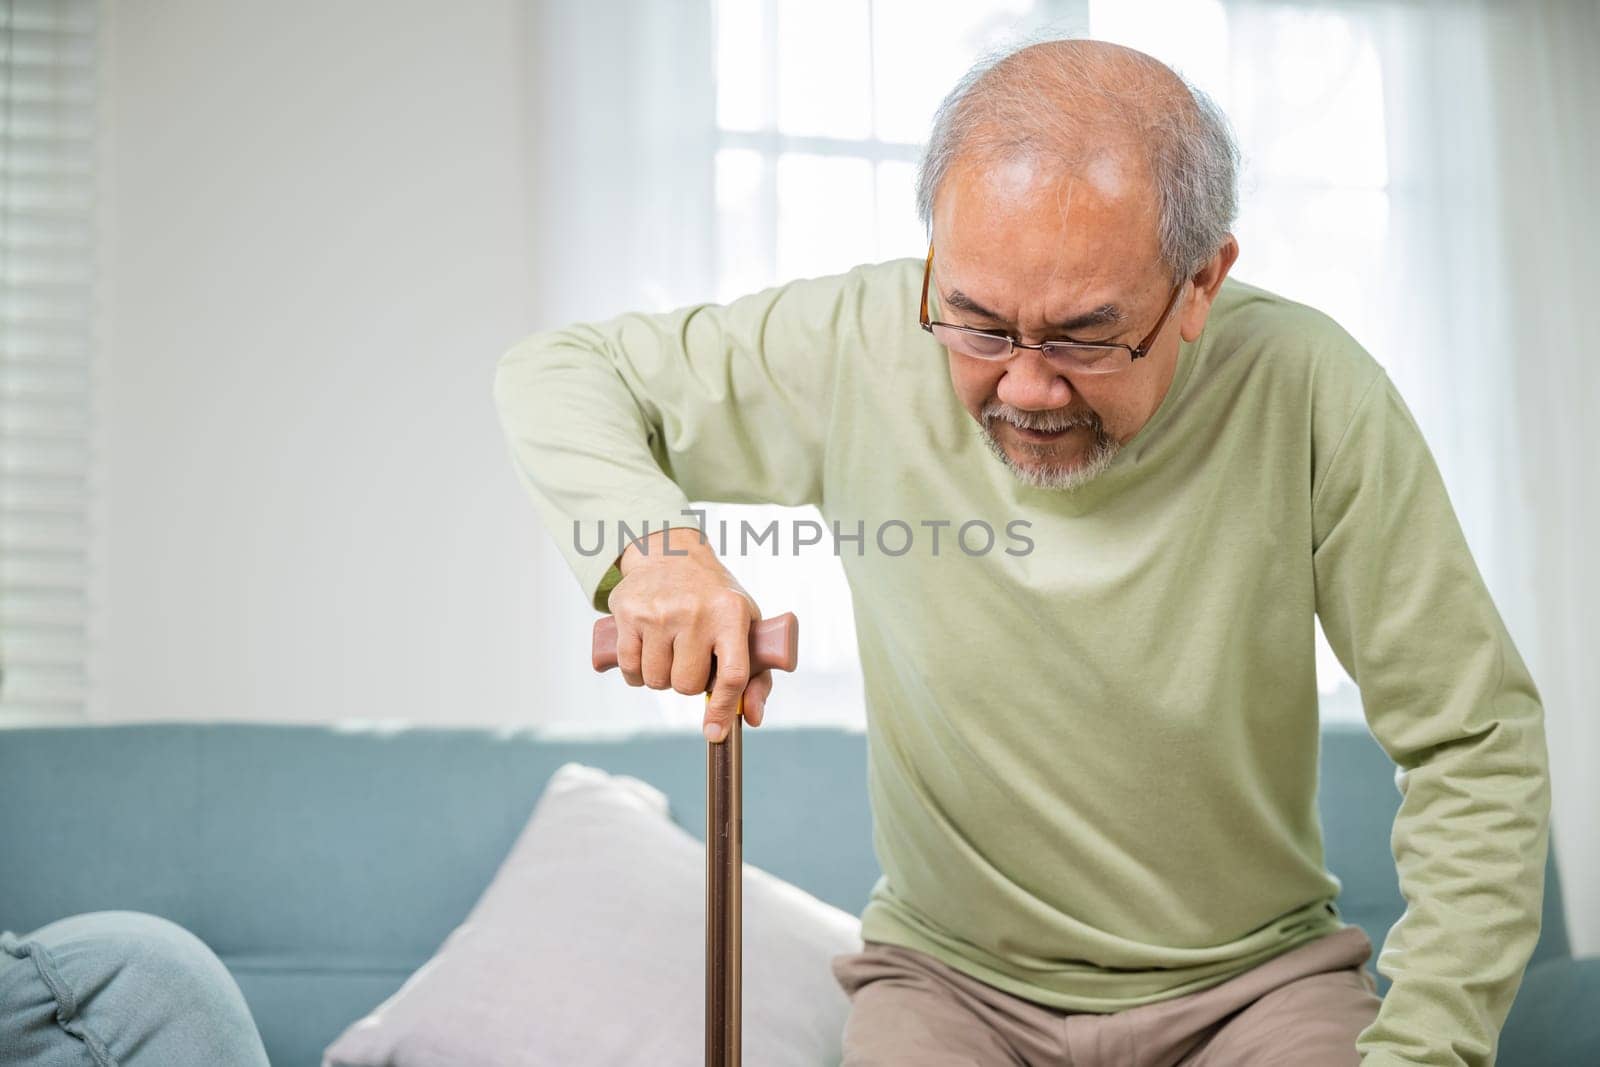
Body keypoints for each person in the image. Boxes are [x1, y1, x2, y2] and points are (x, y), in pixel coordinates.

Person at [493, 38, 1550, 1067]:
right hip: (949, 989)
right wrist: (657, 553)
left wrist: (1425, 1048)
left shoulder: (1311, 388)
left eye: (1086, 336)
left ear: (1200, 284)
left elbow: (1471, 738)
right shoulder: (859, 341)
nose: (1027, 386)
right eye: (979, 324)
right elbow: (563, 371)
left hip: (1254, 988)